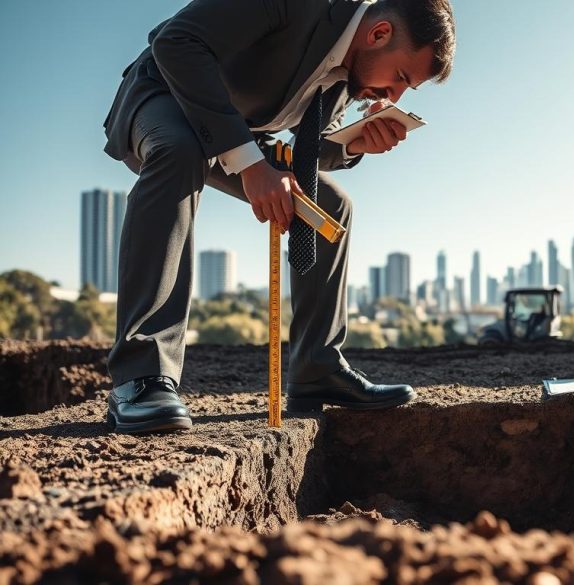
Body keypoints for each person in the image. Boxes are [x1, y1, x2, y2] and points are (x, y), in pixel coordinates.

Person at [101, 0, 456, 434]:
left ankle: (317, 368)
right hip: (162, 94)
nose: (393, 96)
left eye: (405, 91)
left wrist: (356, 143)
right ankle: (139, 378)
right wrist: (251, 167)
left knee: (332, 204)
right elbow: (176, 41)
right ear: (378, 33)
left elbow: (311, 148)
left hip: (237, 131)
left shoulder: (349, 76)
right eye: (400, 77)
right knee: (179, 150)